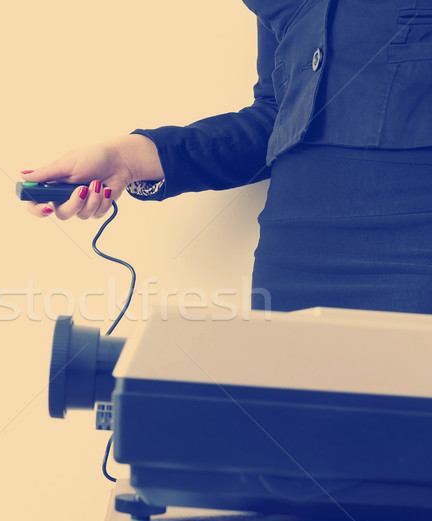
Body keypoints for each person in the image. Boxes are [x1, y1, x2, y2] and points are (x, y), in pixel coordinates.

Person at [21, 0, 432, 315]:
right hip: (293, 248)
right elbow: (280, 112)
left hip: (416, 233)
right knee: (288, 417)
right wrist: (129, 157)